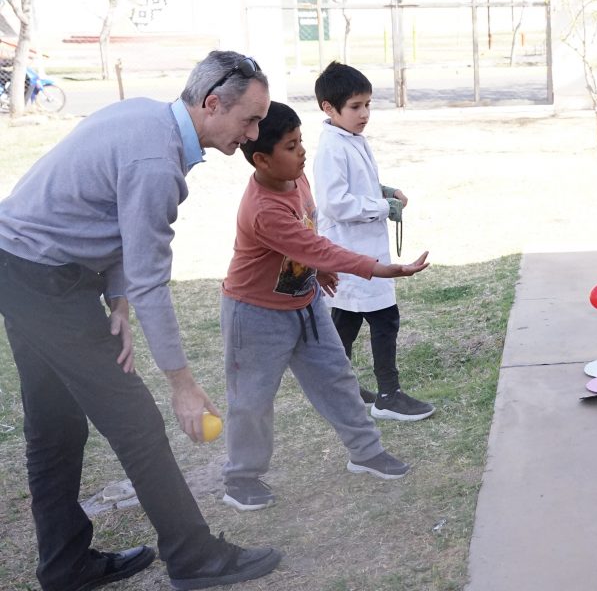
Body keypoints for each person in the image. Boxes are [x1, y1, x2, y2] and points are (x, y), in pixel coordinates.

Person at [0, 50, 281, 589]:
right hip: (42, 280)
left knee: (54, 425)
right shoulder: (156, 161)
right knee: (138, 424)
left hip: (22, 268)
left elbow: (107, 218)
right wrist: (182, 384)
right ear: (211, 103)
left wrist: (116, 299)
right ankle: (195, 557)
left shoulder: (146, 119)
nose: (252, 133)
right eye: (249, 119)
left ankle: (65, 566)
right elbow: (152, 276)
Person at [220, 100, 430, 511]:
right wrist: (382, 270)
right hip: (256, 314)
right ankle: (240, 478)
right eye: (291, 146)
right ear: (261, 159)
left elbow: (308, 232)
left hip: (306, 301)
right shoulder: (263, 209)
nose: (302, 153)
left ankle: (366, 453)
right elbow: (313, 244)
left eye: (301, 142)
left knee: (337, 378)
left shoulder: (296, 179)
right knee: (252, 399)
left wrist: (317, 273)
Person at [310, 61, 435, 421]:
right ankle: (388, 395)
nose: (364, 113)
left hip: (361, 250)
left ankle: (338, 389)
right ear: (328, 108)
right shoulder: (332, 147)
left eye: (367, 105)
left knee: (346, 321)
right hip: (352, 251)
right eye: (355, 107)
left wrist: (386, 190)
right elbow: (335, 202)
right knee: (384, 320)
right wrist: (383, 205)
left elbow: (357, 186)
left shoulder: (351, 139)